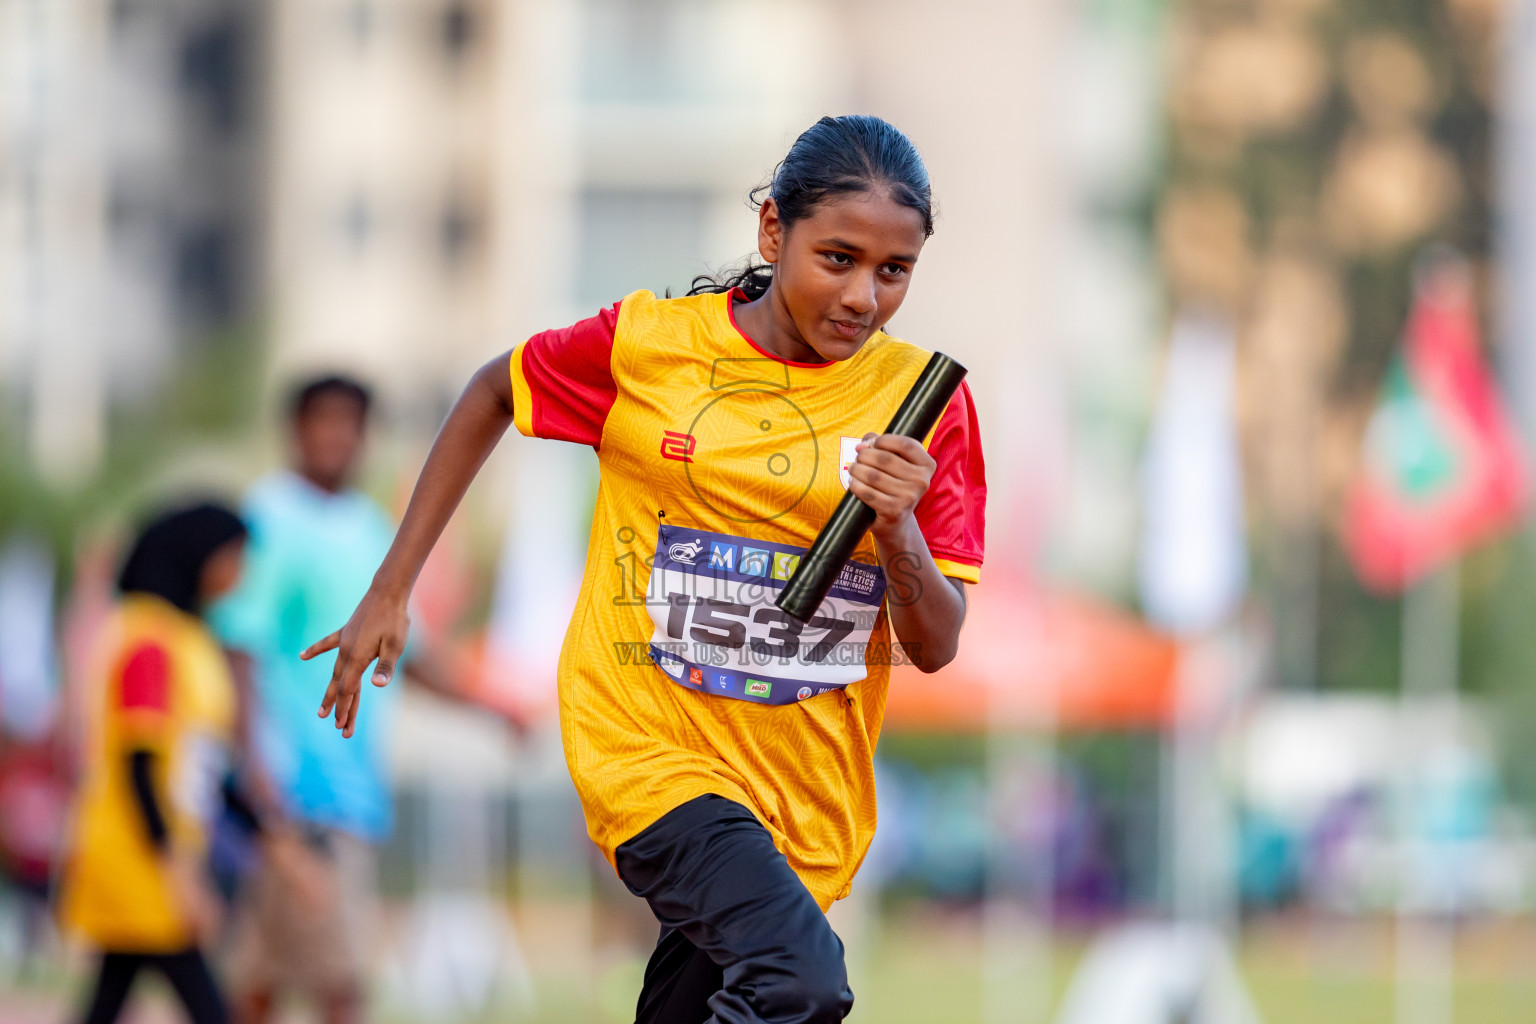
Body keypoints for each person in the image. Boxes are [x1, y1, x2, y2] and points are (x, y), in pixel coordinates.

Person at [307, 115, 987, 1023]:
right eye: (838, 258)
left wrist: (898, 529)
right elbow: (494, 390)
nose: (864, 296)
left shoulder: (926, 403)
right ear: (773, 233)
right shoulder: (648, 347)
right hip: (649, 755)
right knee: (798, 981)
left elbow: (935, 646)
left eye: (892, 271)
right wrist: (390, 589)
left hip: (805, 797)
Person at [210, 375, 464, 1024]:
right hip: (293, 789)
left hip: (349, 789)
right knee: (340, 986)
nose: (334, 436)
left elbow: (409, 650)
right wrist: (256, 767)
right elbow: (240, 644)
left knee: (261, 985)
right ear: (294, 430)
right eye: (320, 421)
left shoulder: (372, 525)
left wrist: (493, 706)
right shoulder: (269, 516)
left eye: (347, 422)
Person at [57, 503, 312, 1024]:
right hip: (138, 855)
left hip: (159, 854)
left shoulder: (188, 638)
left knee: (110, 996)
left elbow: (204, 767)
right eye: (235, 558)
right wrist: (178, 874)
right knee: (206, 1004)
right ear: (200, 555)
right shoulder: (149, 641)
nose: (241, 574)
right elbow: (140, 765)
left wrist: (272, 839)